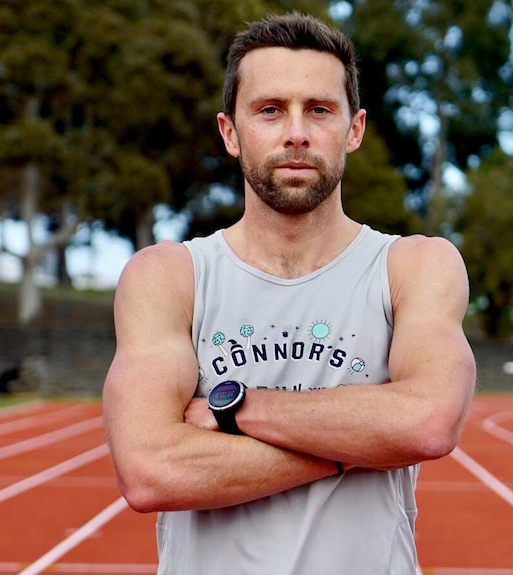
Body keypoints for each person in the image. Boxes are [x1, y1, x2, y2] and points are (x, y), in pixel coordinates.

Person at [102, 12, 476, 575]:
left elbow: (427, 422)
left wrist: (234, 408)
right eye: (270, 109)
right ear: (230, 132)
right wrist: (359, 446)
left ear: (355, 129)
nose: (296, 132)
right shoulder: (169, 277)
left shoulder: (413, 266)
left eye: (319, 110)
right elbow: (152, 470)